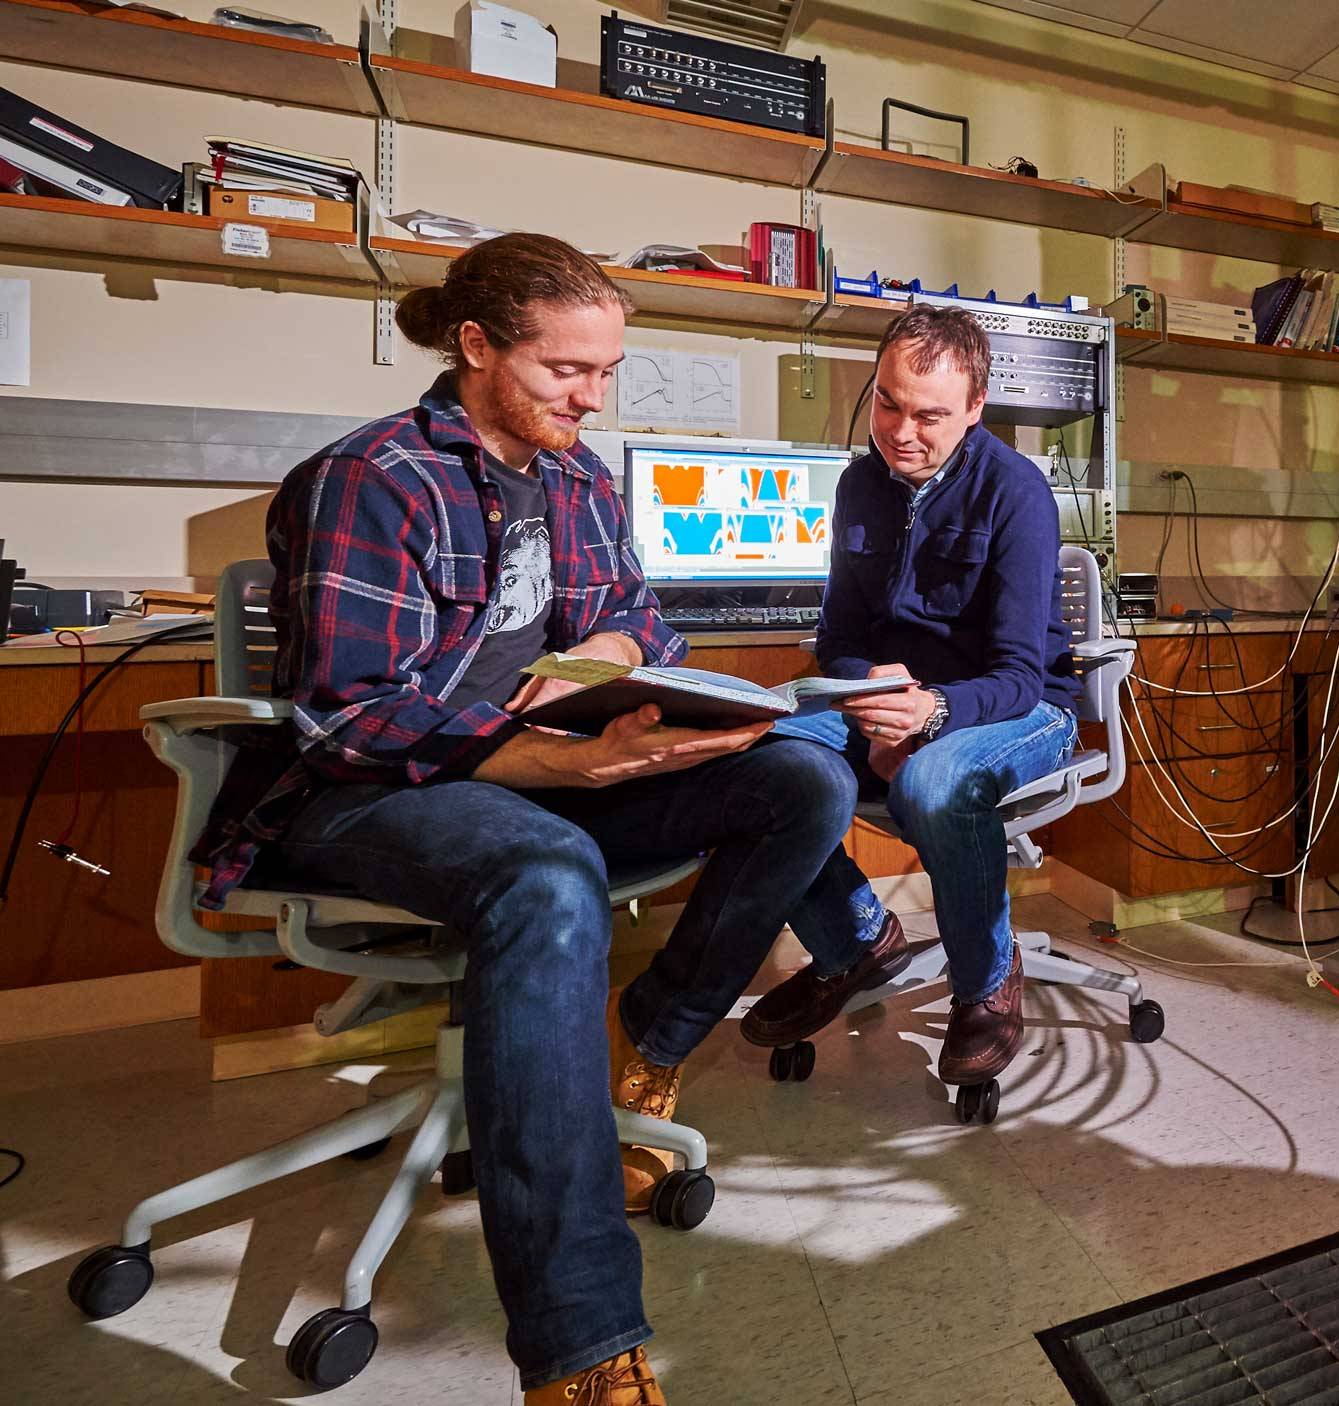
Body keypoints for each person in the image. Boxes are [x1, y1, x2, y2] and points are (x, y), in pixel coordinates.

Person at [192, 233, 865, 1405]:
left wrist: (597, 661)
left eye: (605, 372)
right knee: (546, 875)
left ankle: (650, 1044)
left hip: (539, 781)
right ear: (476, 346)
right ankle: (580, 1347)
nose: (591, 396)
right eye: (565, 369)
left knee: (806, 775)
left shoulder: (577, 478)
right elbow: (353, 720)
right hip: (370, 796)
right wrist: (571, 762)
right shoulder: (373, 477)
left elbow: (642, 625)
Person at [741, 305, 1079, 1090]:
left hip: (1019, 709)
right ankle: (857, 940)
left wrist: (928, 717)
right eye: (888, 403)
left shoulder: (1016, 492)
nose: (900, 432)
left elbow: (1020, 675)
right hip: (894, 699)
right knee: (751, 752)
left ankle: (987, 979)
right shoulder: (860, 485)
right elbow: (839, 636)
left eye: (929, 416)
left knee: (934, 783)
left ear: (975, 407)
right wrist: (871, 692)